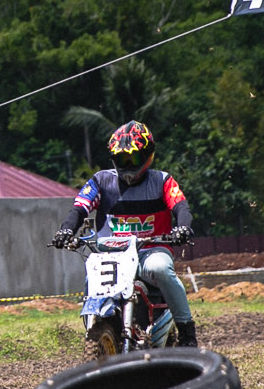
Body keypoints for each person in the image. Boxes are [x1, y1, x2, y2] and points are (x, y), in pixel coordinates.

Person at [50, 120, 199, 347]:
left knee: (160, 269)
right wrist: (66, 230)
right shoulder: (101, 181)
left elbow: (180, 207)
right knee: (92, 276)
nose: (128, 165)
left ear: (148, 155)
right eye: (122, 160)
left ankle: (187, 332)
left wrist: (183, 227)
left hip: (151, 250)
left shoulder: (163, 181)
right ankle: (97, 328)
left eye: (134, 159)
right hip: (111, 253)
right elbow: (79, 208)